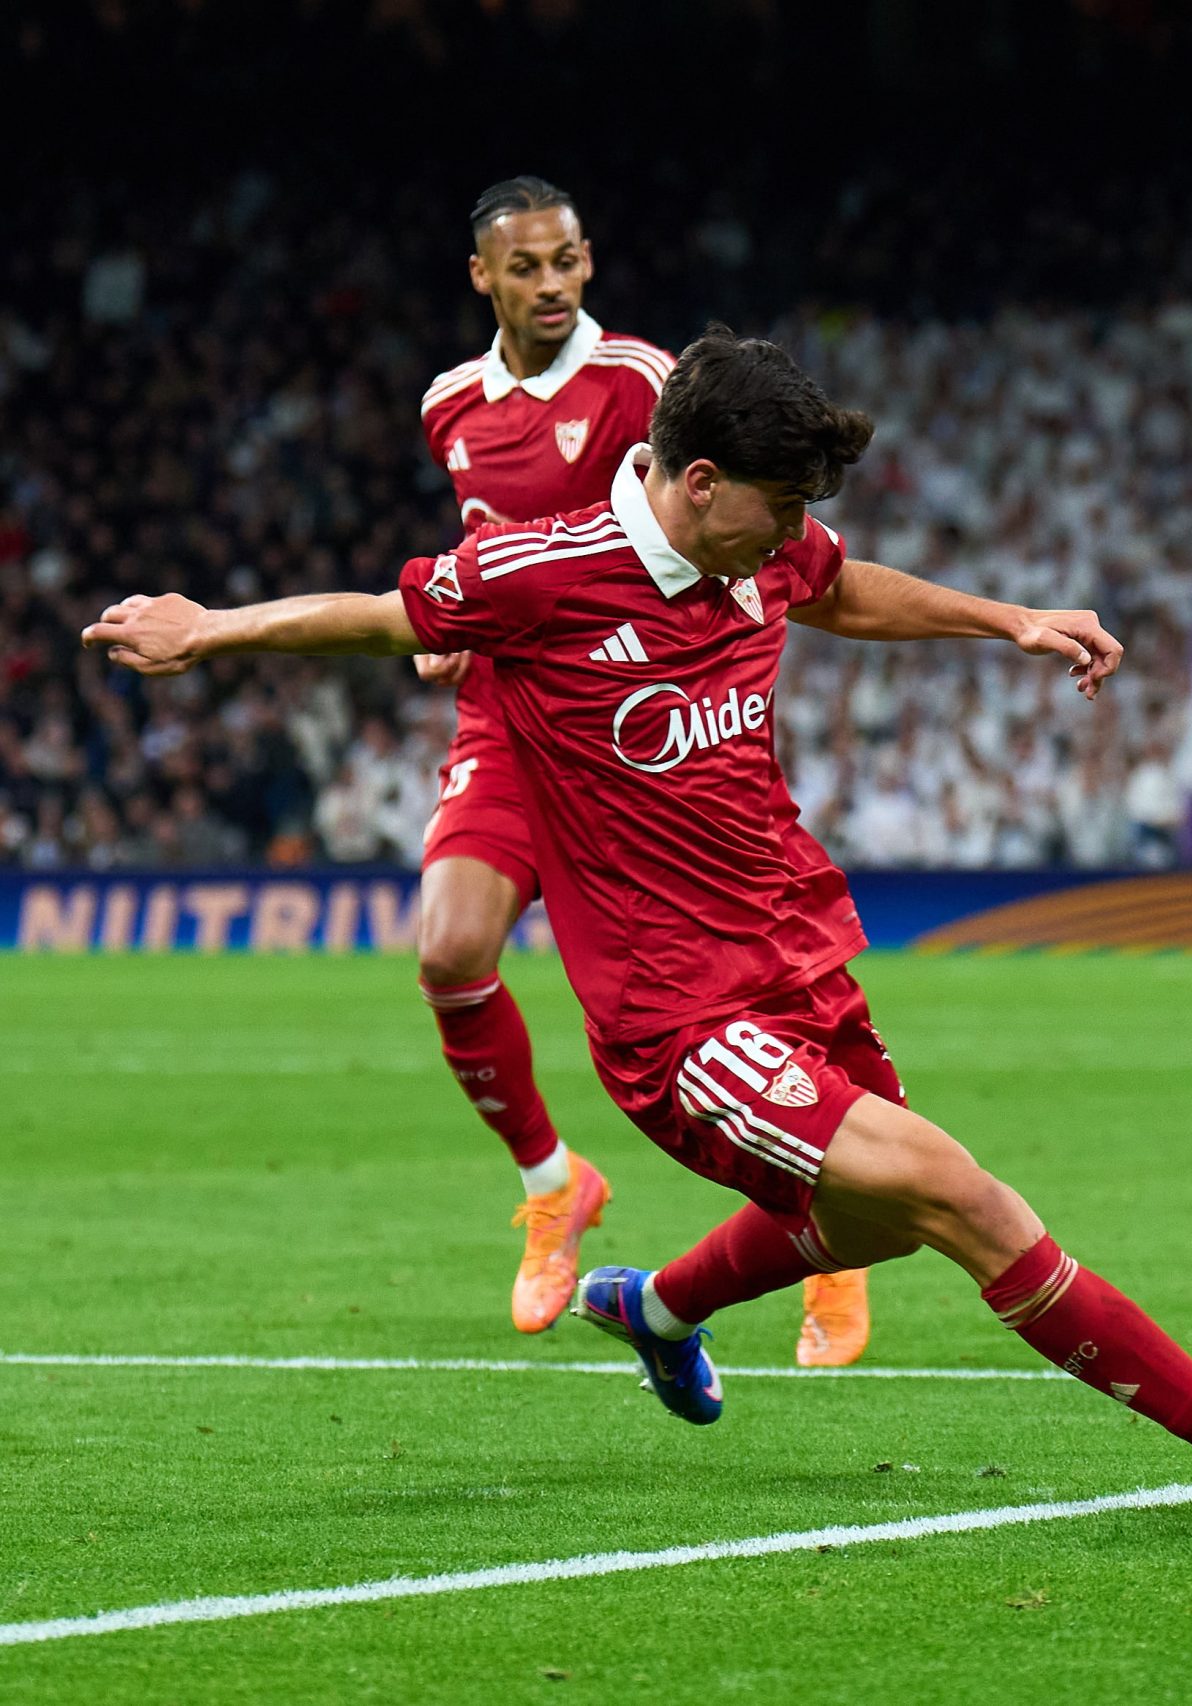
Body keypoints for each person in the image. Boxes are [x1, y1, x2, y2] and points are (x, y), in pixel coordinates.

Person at [85, 327, 1192, 1522]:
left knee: (870, 1224)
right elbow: (382, 614)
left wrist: (1007, 619)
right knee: (960, 1195)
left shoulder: (764, 549)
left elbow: (845, 588)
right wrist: (209, 630)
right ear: (698, 481)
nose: (797, 534)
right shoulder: (545, 573)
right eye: (781, 506)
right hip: (677, 1018)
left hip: (797, 956)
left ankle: (659, 1305)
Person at [415, 175, 869, 1362]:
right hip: (512, 722)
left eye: (568, 259)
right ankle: (553, 1181)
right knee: (448, 949)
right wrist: (446, 634)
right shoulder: (449, 405)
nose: (554, 283)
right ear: (484, 278)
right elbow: (485, 559)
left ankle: (834, 1240)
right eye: (527, 266)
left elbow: (746, 543)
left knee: (752, 968)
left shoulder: (645, 382)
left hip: (645, 721)